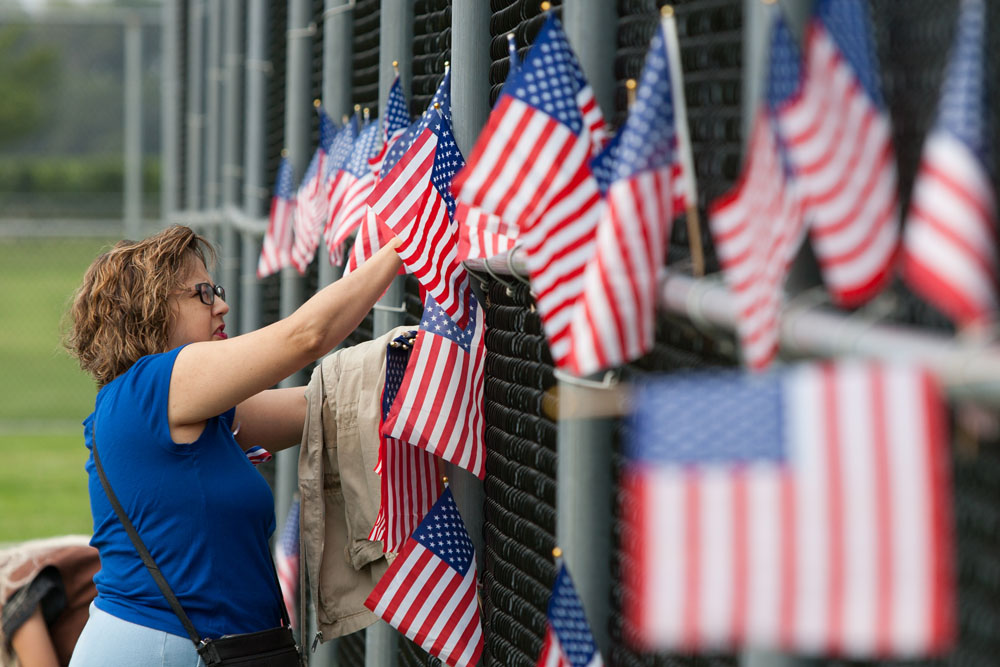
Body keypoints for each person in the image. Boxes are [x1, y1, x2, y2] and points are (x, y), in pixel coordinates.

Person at [62, 225, 402, 666]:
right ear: (149, 308)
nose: (222, 305)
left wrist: (415, 350)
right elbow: (306, 336)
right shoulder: (154, 386)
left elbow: (322, 407)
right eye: (202, 293)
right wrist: (405, 243)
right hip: (161, 650)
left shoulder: (184, 406)